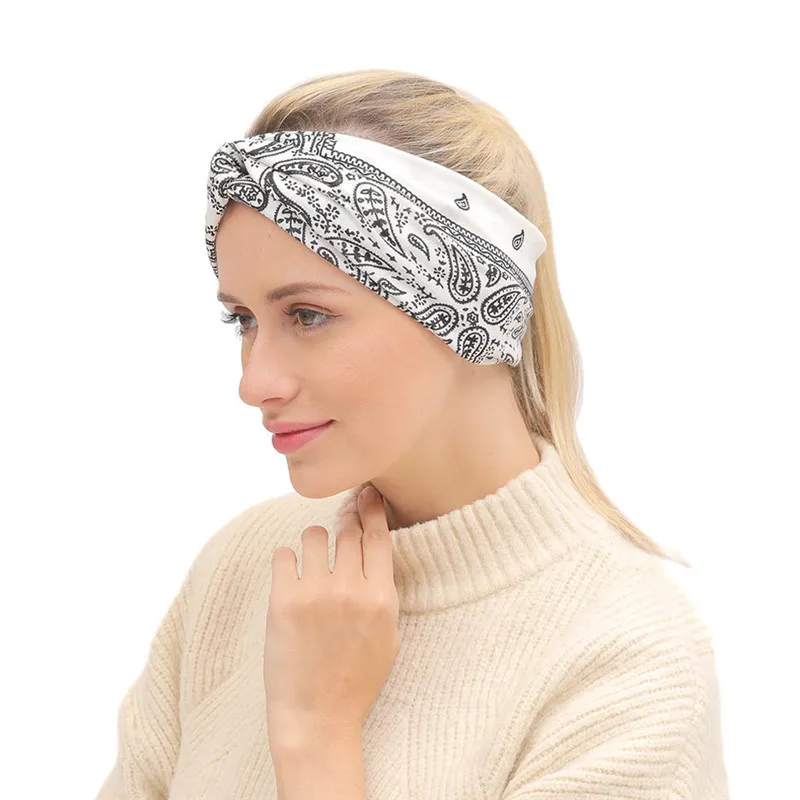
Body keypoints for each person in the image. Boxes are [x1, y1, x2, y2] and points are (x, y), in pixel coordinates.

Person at [96, 68, 729, 799]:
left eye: (307, 315)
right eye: (242, 319)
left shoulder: (626, 667)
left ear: (464, 305)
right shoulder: (249, 565)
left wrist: (315, 733)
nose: (254, 381)